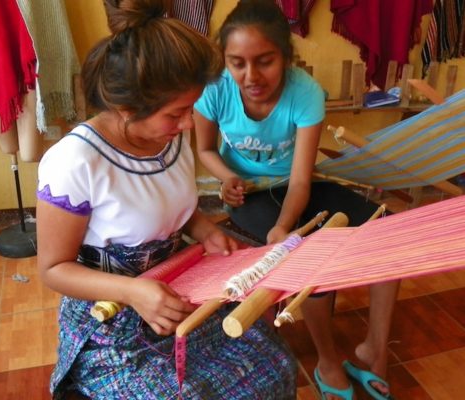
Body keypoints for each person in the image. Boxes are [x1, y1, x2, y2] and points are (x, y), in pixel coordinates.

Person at [36, 0, 298, 399]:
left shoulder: (169, 139)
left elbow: (171, 204)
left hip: (179, 292)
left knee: (273, 364)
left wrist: (204, 229)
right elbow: (53, 269)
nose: (189, 123)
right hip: (112, 323)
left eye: (190, 109)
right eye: (177, 113)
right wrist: (135, 292)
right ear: (126, 108)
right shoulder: (75, 162)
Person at [193, 0, 399, 399]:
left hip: (297, 186)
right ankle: (327, 360)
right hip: (249, 194)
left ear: (286, 57)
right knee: (312, 259)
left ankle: (376, 350)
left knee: (387, 228)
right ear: (226, 61)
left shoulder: (304, 93)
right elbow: (204, 150)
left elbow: (302, 180)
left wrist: (283, 227)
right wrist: (228, 178)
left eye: (265, 61)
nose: (250, 76)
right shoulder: (216, 89)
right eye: (237, 63)